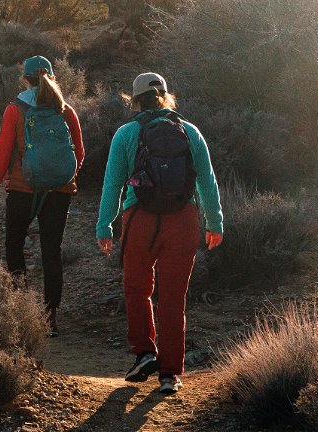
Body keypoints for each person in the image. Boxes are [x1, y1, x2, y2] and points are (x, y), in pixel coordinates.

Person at [96, 72, 224, 395]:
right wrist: (215, 223)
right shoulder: (190, 131)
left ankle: (144, 353)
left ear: (135, 100)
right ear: (167, 97)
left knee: (136, 288)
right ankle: (169, 375)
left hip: (140, 219)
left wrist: (104, 225)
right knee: (172, 297)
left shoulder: (126, 134)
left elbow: (112, 184)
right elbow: (207, 181)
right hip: (183, 220)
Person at [0, 56, 84, 337]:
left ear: (24, 78)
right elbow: (80, 154)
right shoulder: (66, 110)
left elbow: (2, 156)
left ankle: (20, 310)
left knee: (14, 245)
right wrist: (62, 177)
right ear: (52, 76)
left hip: (22, 190)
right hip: (59, 192)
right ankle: (50, 318)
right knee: (52, 251)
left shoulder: (15, 109)